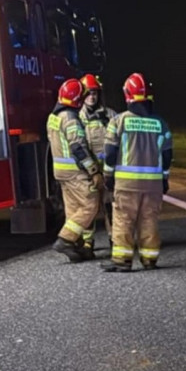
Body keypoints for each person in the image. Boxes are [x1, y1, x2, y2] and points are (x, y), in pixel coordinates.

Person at [101, 72, 173, 272]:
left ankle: (122, 261)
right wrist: (164, 179)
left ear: (127, 95)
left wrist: (108, 176)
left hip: (126, 184)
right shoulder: (161, 123)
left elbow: (109, 153)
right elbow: (167, 156)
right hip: (153, 185)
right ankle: (150, 259)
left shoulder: (118, 121)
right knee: (149, 219)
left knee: (123, 219)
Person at [48, 77, 104, 263]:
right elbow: (78, 147)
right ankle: (65, 239)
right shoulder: (70, 119)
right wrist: (94, 170)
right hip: (74, 171)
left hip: (60, 172)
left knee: (73, 209)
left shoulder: (53, 117)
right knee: (90, 203)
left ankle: (78, 247)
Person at [79, 73, 118, 256]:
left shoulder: (110, 115)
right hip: (90, 172)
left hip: (109, 171)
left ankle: (114, 238)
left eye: (94, 93)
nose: (92, 97)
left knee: (110, 205)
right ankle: (88, 242)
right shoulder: (78, 118)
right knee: (89, 206)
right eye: (88, 93)